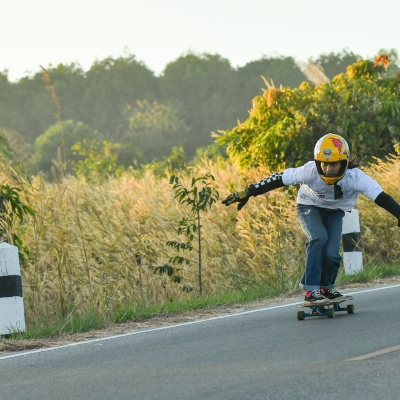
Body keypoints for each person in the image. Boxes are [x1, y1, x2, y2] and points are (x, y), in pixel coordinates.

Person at [222, 133, 400, 305]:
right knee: (318, 238)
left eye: (334, 164)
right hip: (309, 206)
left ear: (344, 163)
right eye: (324, 164)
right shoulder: (309, 171)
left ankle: (326, 288)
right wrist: (250, 191)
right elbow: (279, 178)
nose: (328, 169)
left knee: (331, 253)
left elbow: (381, 197)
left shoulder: (356, 178)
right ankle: (311, 290)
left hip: (335, 211)